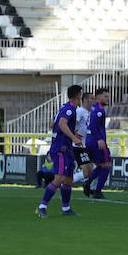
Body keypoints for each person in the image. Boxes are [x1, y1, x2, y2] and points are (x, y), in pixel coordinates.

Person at [36, 84, 84, 217]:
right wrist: (73, 138)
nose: (82, 97)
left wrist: (72, 132)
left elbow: (53, 125)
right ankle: (42, 207)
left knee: (68, 179)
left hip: (66, 147)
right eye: (81, 95)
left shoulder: (65, 107)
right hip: (61, 148)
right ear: (78, 96)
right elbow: (61, 124)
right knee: (60, 177)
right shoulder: (69, 109)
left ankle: (66, 209)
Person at [83, 87, 111, 200]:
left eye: (108, 96)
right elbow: (93, 125)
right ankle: (97, 191)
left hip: (90, 141)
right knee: (107, 166)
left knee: (101, 166)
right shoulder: (99, 110)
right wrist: (99, 139)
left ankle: (88, 183)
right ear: (98, 97)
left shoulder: (93, 108)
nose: (108, 98)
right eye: (105, 96)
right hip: (96, 142)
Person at [72, 92, 95, 189]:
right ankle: (64, 183)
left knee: (91, 170)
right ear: (85, 100)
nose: (93, 100)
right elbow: (72, 124)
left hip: (87, 145)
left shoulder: (91, 111)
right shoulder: (80, 111)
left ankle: (88, 186)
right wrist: (74, 134)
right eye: (91, 98)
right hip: (79, 146)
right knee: (86, 171)